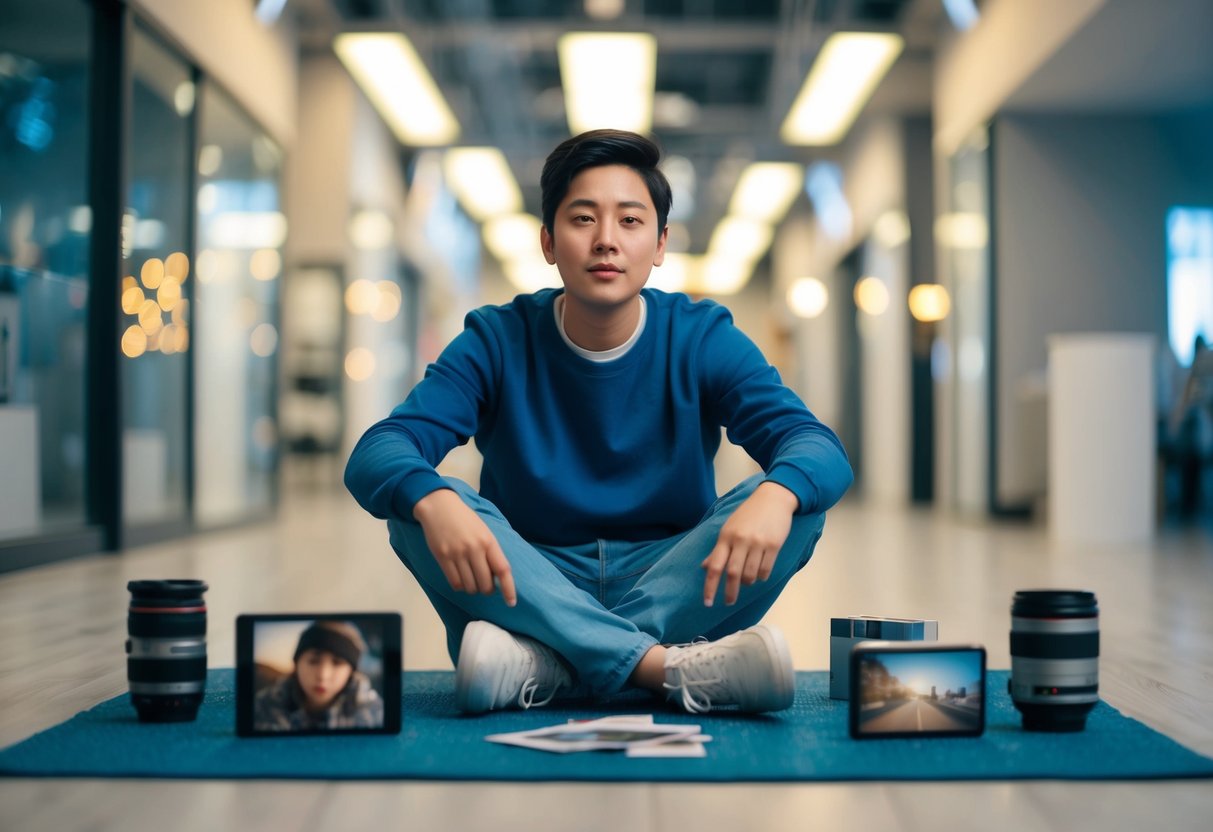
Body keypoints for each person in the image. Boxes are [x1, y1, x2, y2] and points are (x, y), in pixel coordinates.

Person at [345, 129, 853, 715]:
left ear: (660, 244)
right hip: (533, 576)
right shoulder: (497, 337)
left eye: (631, 222)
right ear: (548, 242)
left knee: (799, 506)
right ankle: (661, 668)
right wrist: (432, 500)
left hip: (668, 573)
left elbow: (817, 447)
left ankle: (547, 666)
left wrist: (777, 491)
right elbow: (380, 450)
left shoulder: (701, 335)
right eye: (583, 219)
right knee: (416, 508)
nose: (606, 241)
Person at [253, 620, 385, 731]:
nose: (323, 675)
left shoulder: (374, 711)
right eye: (313, 661)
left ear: (351, 672)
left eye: (337, 663)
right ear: (296, 664)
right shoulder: (262, 707)